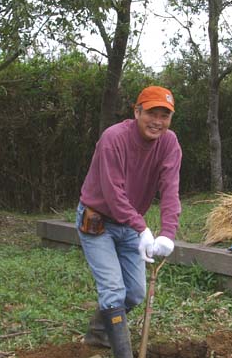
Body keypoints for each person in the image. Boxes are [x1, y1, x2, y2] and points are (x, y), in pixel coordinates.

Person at [76, 85, 182, 358]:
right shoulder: (114, 138)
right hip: (98, 221)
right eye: (151, 113)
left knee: (133, 294)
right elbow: (113, 193)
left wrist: (168, 233)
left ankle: (99, 332)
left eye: (165, 116)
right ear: (137, 111)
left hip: (131, 225)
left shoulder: (169, 143)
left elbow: (170, 189)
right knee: (113, 291)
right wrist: (142, 228)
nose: (158, 122)